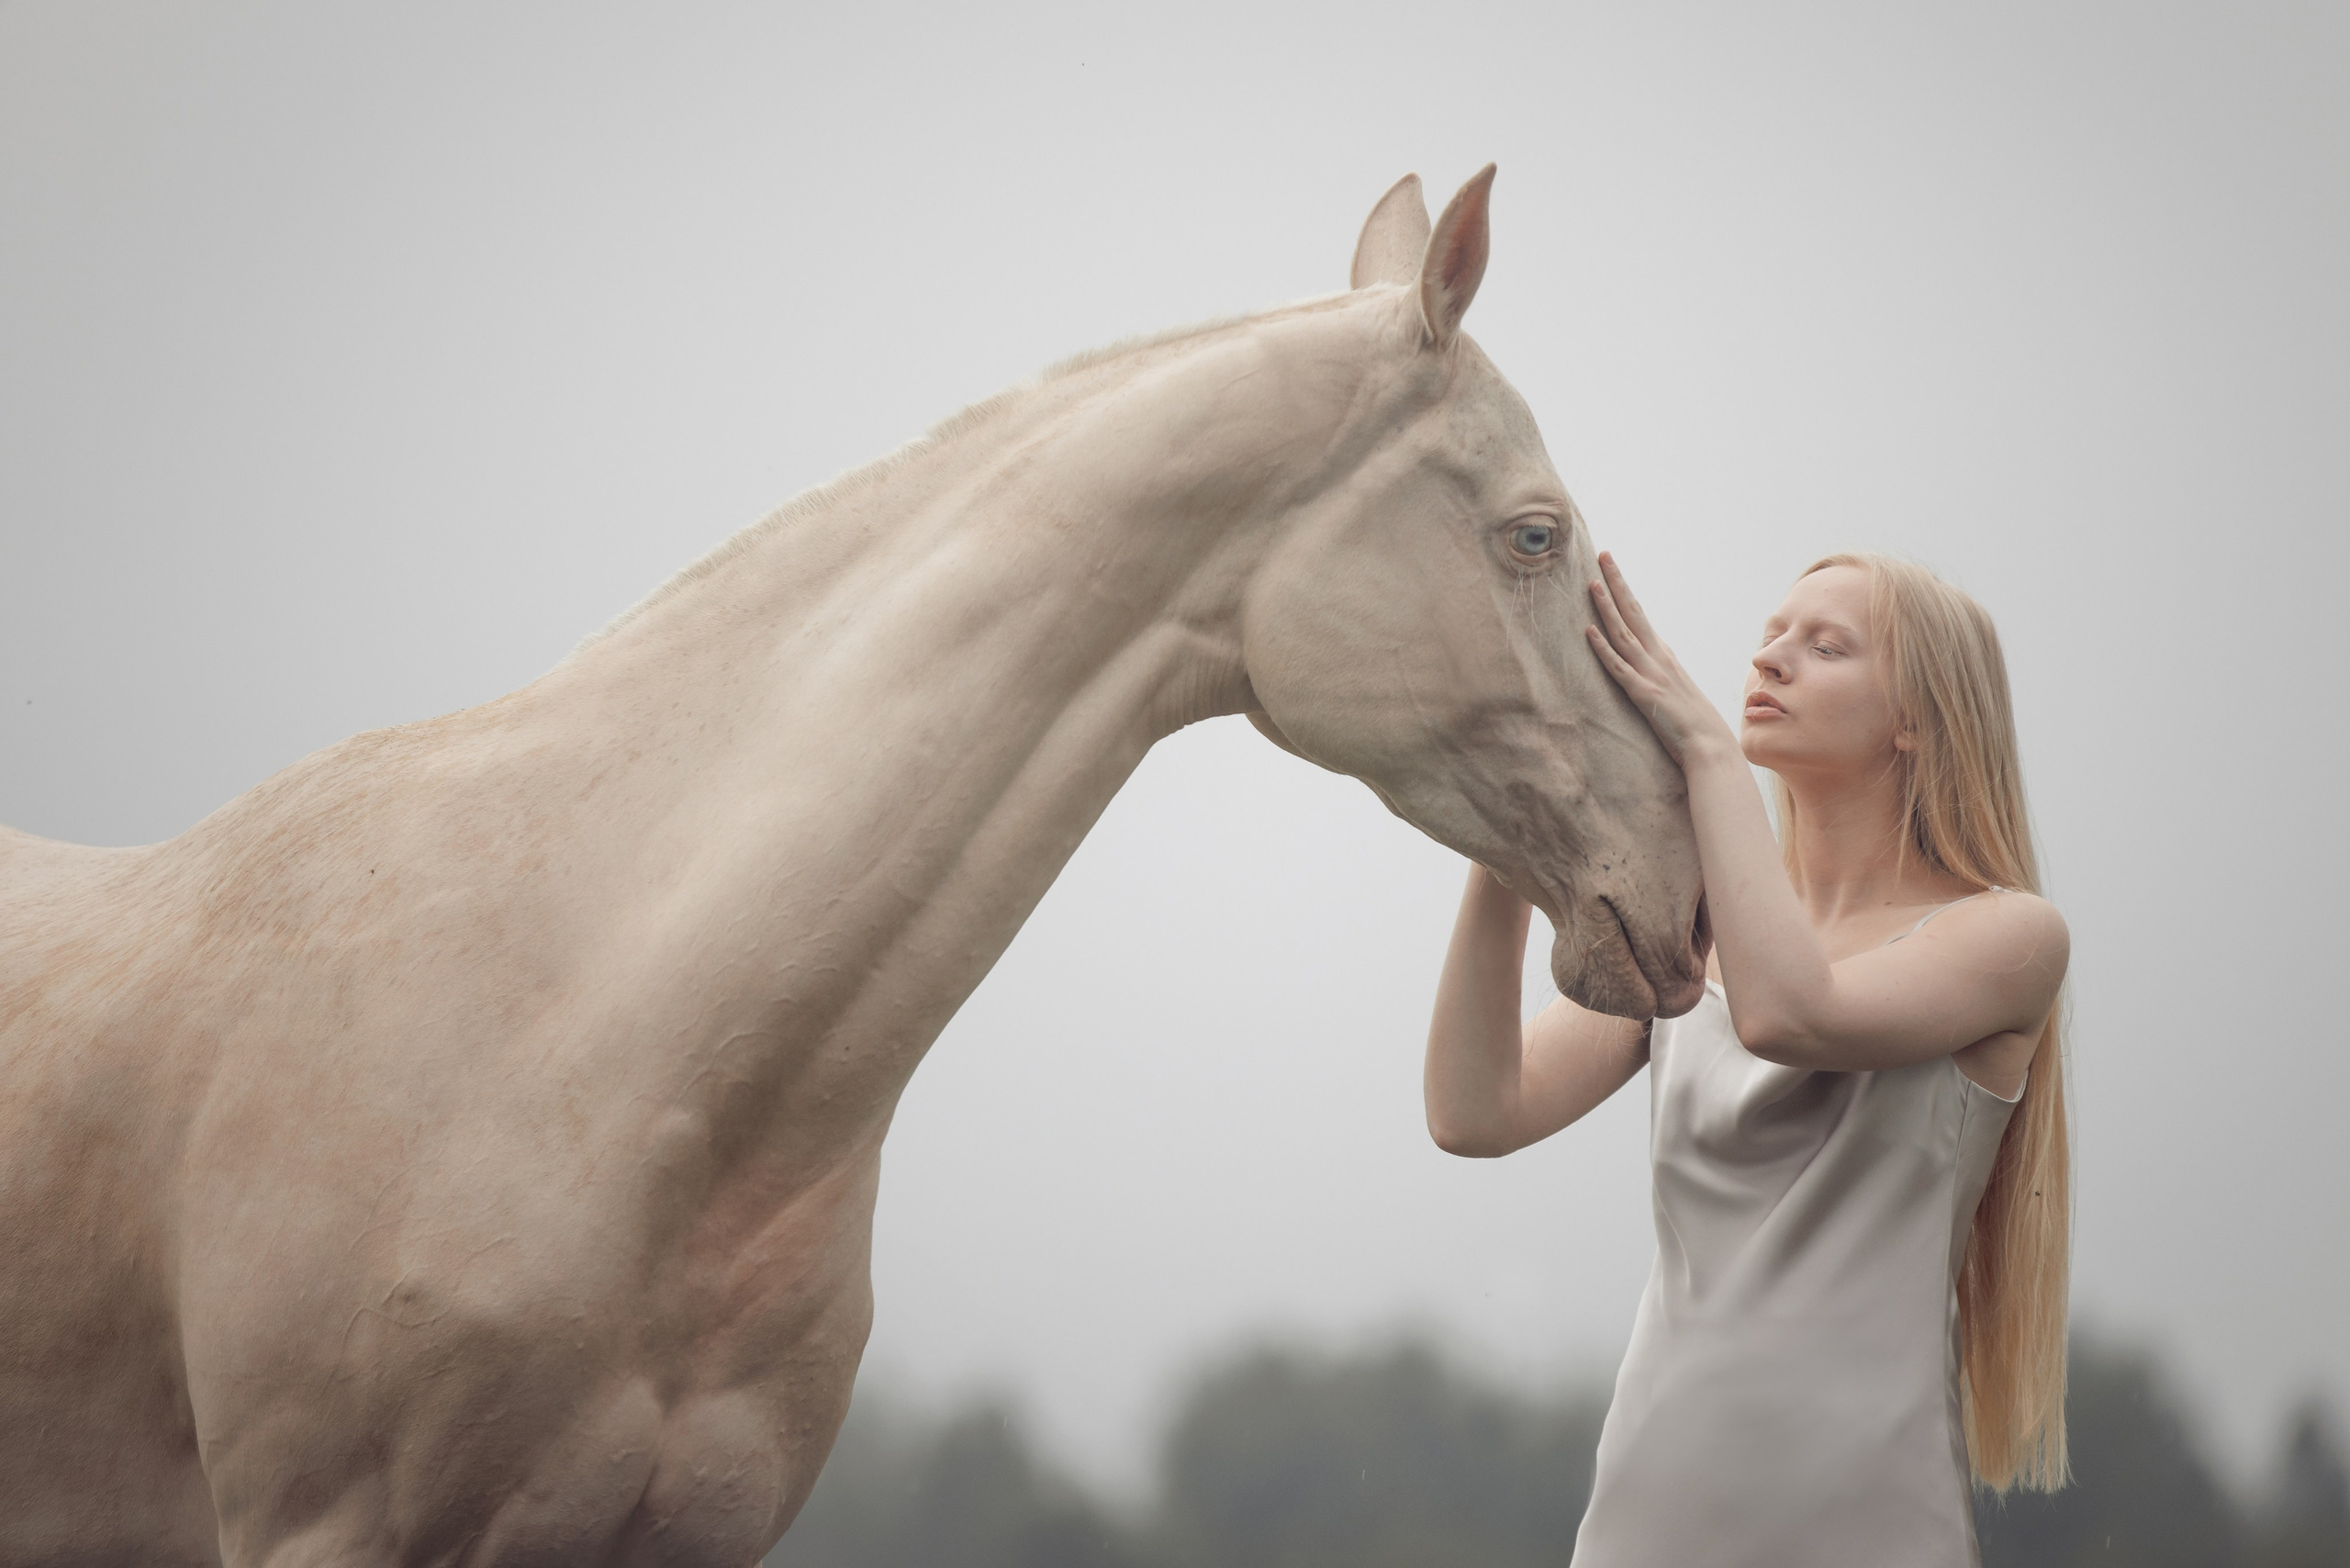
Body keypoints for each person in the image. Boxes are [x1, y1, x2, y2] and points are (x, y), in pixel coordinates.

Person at [1424, 551, 2072, 1565]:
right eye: (1773, 634)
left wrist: (1706, 757)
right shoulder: (1689, 930)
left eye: (1826, 647)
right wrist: (1507, 843)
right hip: (1651, 1506)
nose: (1771, 660)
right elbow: (1476, 1111)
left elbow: (1790, 1015)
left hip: (1867, 1519)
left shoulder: (2011, 938)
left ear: (1917, 717)